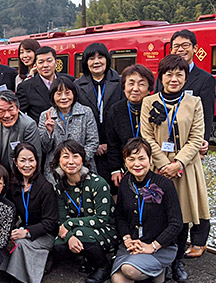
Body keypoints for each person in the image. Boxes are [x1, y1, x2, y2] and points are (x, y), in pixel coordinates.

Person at [140, 54, 209, 283]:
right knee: (158, 215)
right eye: (169, 74)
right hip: (157, 168)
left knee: (182, 218)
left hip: (186, 168)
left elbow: (197, 137)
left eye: (179, 74)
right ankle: (160, 261)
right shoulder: (149, 102)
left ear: (185, 77)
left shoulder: (194, 102)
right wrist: (163, 164)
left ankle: (177, 261)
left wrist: (178, 163)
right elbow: (146, 136)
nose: (174, 78)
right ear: (161, 76)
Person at [156, 29, 216, 258]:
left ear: (195, 49)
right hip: (166, 150)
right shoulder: (164, 76)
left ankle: (199, 240)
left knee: (196, 194)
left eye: (185, 45)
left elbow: (207, 114)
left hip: (191, 149)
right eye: (176, 46)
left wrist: (204, 143)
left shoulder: (205, 79)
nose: (180, 49)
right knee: (174, 198)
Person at [111, 138, 183, 283]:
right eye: (131, 159)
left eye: (141, 158)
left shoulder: (165, 184)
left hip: (159, 247)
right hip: (134, 245)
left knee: (129, 271)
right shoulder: (125, 183)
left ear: (150, 160)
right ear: (125, 162)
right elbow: (120, 216)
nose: (136, 164)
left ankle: (160, 270)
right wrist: (127, 239)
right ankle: (150, 270)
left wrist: (152, 246)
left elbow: (176, 223)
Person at [51, 140, 117, 283]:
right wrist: (69, 237)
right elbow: (62, 219)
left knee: (82, 235)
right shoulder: (60, 187)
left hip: (105, 229)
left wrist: (69, 225)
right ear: (58, 161)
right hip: (77, 229)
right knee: (58, 245)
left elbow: (101, 219)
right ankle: (87, 258)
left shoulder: (98, 183)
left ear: (83, 159)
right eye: (65, 157)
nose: (70, 161)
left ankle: (103, 267)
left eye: (75, 156)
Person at [0, 143, 58, 283]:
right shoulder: (14, 185)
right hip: (23, 228)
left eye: (31, 160)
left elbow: (51, 223)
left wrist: (26, 233)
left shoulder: (46, 187)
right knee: (7, 239)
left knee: (20, 244)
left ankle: (29, 269)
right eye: (23, 160)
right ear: (15, 162)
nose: (27, 165)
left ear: (37, 161)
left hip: (44, 234)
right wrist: (10, 231)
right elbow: (10, 212)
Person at [75, 43, 124, 183]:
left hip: (115, 149)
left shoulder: (120, 83)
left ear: (107, 59)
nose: (96, 61)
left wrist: (110, 144)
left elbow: (122, 117)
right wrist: (93, 145)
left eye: (100, 57)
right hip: (88, 150)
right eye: (91, 58)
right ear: (86, 62)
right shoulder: (77, 86)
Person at [38, 76, 98, 184]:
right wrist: (49, 132)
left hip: (83, 169)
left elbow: (93, 142)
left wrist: (76, 162)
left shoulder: (86, 112)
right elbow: (44, 148)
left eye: (67, 93)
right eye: (59, 94)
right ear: (52, 96)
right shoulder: (46, 116)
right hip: (54, 172)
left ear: (74, 94)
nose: (64, 97)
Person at [105, 64, 156, 187]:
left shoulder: (156, 107)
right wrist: (115, 169)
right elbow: (112, 144)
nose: (135, 88)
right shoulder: (116, 110)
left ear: (149, 89)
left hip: (154, 165)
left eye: (141, 84)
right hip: (126, 167)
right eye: (131, 83)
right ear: (124, 87)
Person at [0, 89, 41, 170]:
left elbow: (35, 156)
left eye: (11, 109)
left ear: (18, 108)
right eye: (1, 111)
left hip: (18, 172)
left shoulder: (28, 125)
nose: (7, 115)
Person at [17, 46, 74, 122]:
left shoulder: (69, 80)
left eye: (49, 61)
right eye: (41, 62)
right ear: (36, 65)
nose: (45, 65)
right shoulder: (25, 87)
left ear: (56, 62)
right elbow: (19, 115)